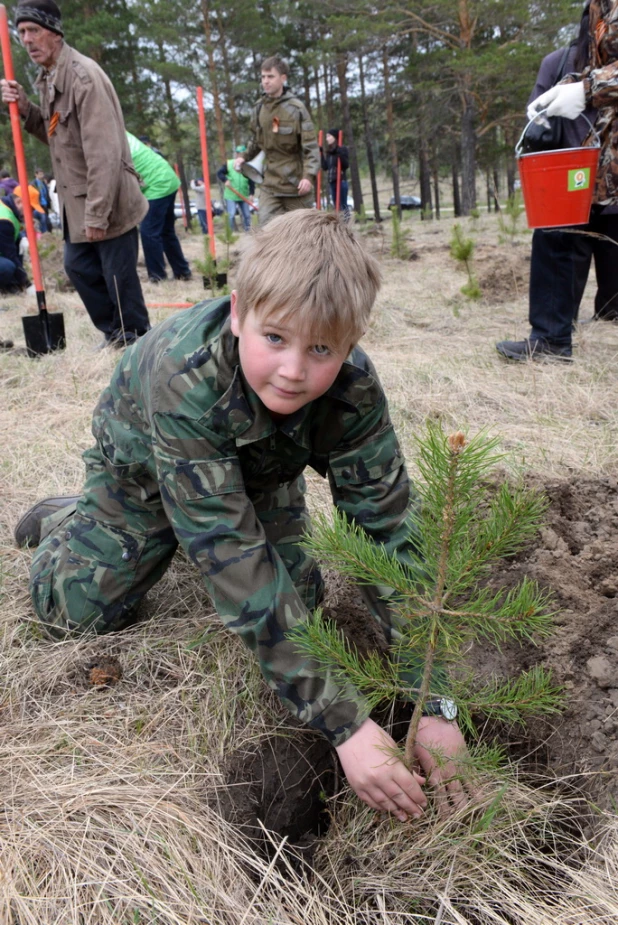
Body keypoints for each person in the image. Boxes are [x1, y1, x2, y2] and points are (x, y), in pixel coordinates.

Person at [14, 210, 472, 822]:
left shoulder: (354, 390)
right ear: (238, 313)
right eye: (275, 339)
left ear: (352, 339)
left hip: (258, 470)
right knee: (75, 612)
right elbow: (230, 555)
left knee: (300, 606)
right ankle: (70, 517)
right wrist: (346, 726)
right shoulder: (187, 379)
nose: (293, 369)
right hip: (147, 466)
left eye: (321, 349)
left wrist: (435, 698)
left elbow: (387, 534)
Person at [0, 0, 150, 349]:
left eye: (34, 31)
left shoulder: (83, 77)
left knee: (119, 278)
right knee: (79, 267)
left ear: (54, 32)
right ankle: (115, 333)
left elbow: (105, 152)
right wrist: (24, 108)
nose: (26, 40)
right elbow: (58, 135)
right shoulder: (50, 77)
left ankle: (135, 341)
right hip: (78, 200)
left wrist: (98, 212)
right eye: (21, 32)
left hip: (108, 197)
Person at [497, 0, 618, 361]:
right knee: (557, 241)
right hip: (578, 174)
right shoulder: (562, 60)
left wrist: (584, 91)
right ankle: (551, 339)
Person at [234, 55, 319, 226]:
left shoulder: (296, 109)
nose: (266, 81)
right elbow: (256, 141)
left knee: (302, 235)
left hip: (295, 186)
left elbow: (311, 148)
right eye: (263, 77)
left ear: (283, 78)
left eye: (270, 76)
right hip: (270, 185)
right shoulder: (259, 108)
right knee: (265, 234)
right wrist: (244, 156)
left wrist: (308, 177)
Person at [126, 132, 192, 284]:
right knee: (166, 231)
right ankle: (182, 271)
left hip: (157, 185)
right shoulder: (121, 133)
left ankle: (157, 277)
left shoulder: (110, 139)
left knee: (149, 232)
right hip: (167, 178)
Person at [0, 184, 37, 292]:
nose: (31, 213)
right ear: (19, 202)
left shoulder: (6, 207)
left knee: (17, 252)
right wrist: (27, 284)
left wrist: (21, 237)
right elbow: (10, 255)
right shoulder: (4, 219)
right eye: (30, 208)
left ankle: (12, 286)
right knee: (7, 267)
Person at [217, 145, 255, 232]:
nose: (240, 155)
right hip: (231, 195)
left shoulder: (248, 166)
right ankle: (230, 233)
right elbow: (219, 173)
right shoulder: (229, 164)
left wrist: (251, 193)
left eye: (242, 153)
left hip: (243, 195)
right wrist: (225, 180)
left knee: (247, 215)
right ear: (236, 154)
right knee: (231, 214)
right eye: (239, 153)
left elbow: (252, 181)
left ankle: (248, 232)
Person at [321, 128, 350, 216]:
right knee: (336, 205)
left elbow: (345, 165)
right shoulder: (329, 152)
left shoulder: (342, 149)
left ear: (334, 137)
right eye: (326, 137)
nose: (327, 139)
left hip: (341, 181)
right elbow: (325, 167)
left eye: (329, 136)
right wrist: (321, 155)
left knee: (342, 205)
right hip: (332, 181)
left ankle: (345, 224)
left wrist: (340, 154)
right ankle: (339, 224)